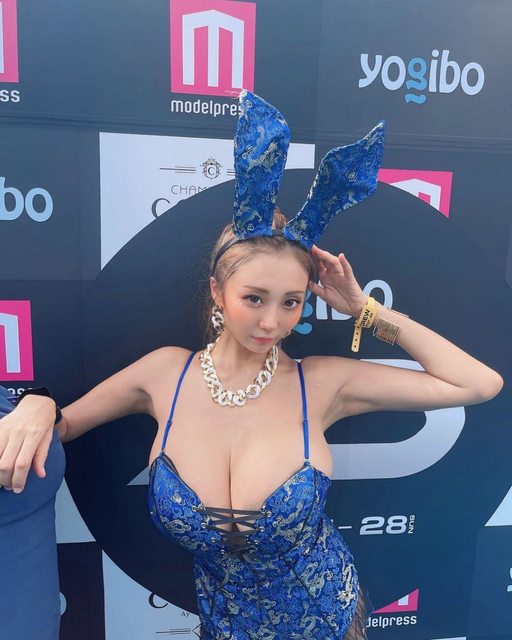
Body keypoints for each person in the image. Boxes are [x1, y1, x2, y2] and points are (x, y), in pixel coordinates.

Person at [0, 92, 504, 639]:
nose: (272, 321)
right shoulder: (164, 375)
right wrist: (39, 405)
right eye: (254, 298)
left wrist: (366, 309)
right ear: (218, 292)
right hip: (224, 624)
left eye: (291, 302)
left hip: (326, 621)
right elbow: (66, 424)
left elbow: (477, 383)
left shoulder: (321, 383)